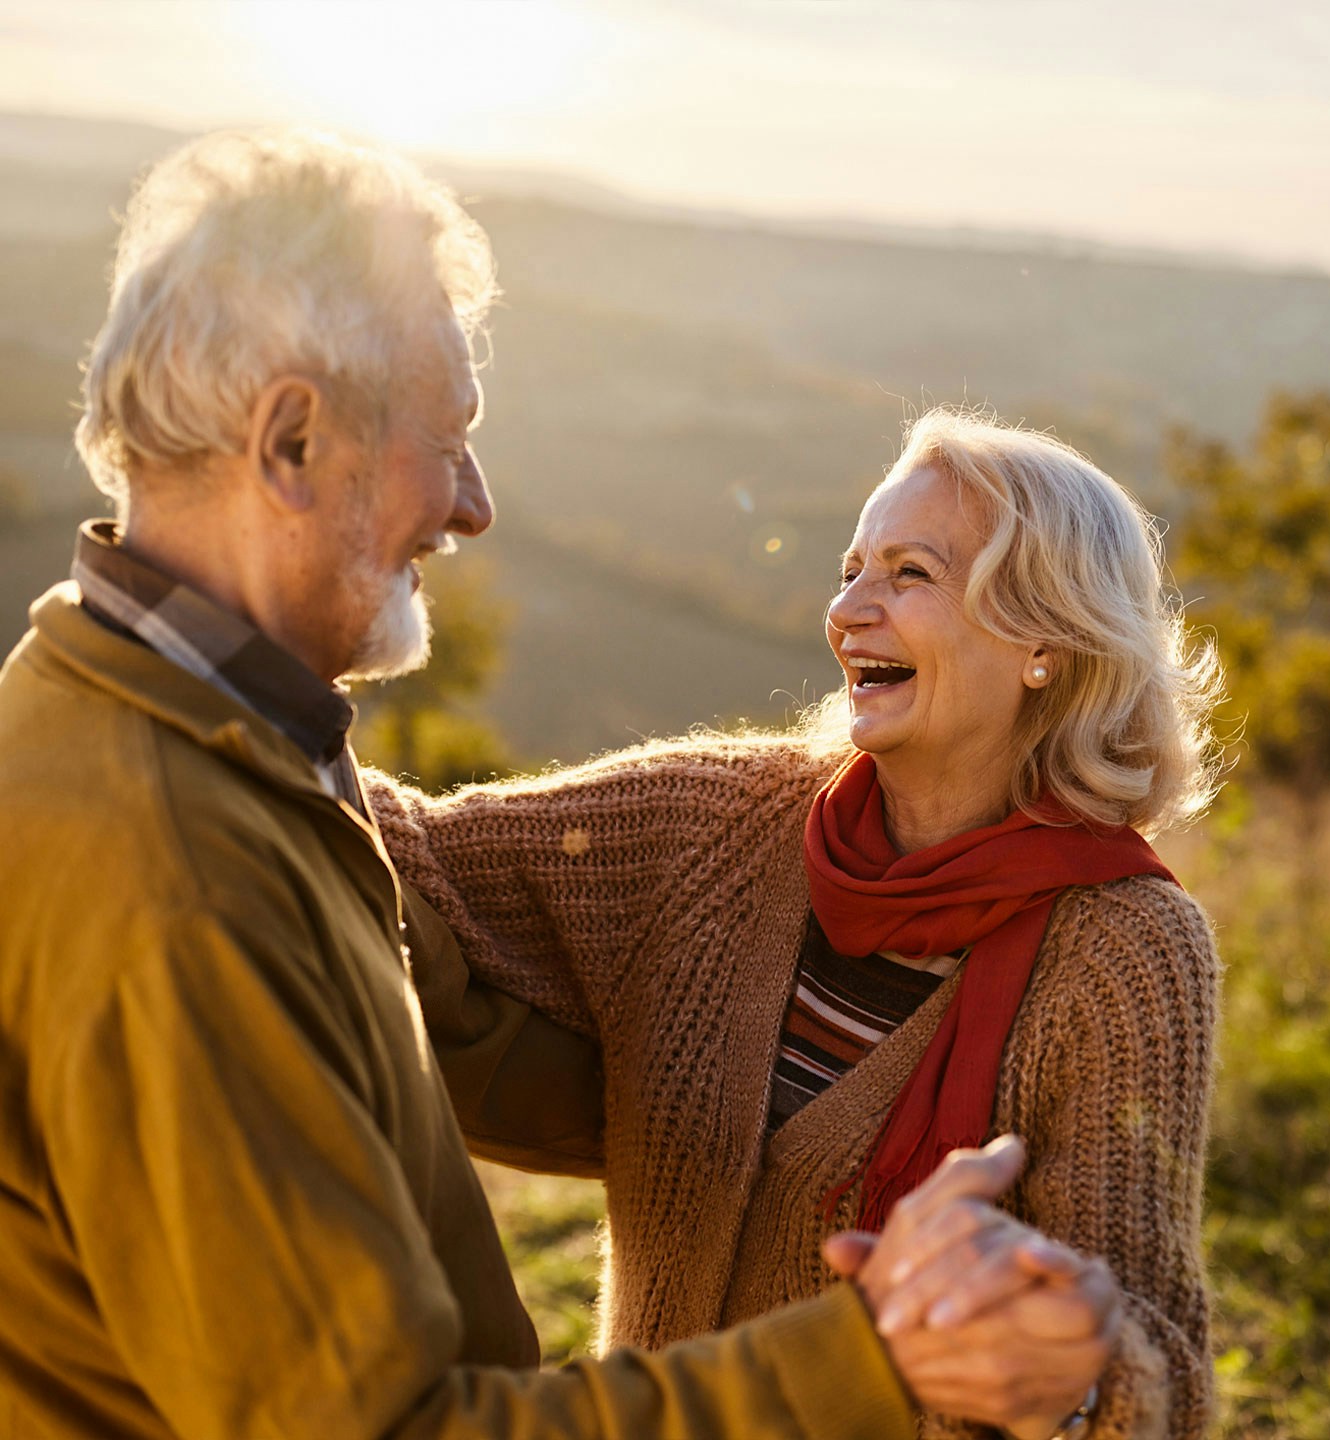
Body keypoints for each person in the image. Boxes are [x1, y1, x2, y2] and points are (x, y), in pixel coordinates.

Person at [0, 130, 1106, 1440]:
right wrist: (878, 1366)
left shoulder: (183, 731)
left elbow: (411, 1060)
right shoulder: (178, 881)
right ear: (292, 439)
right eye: (448, 436)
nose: (472, 505)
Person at [370, 409, 1225, 1439]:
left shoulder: (1125, 951)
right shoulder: (720, 827)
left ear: (1044, 639)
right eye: (850, 568)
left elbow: (1159, 1357)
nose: (851, 610)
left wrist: (1068, 1372)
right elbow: (404, 856)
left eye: (911, 574)